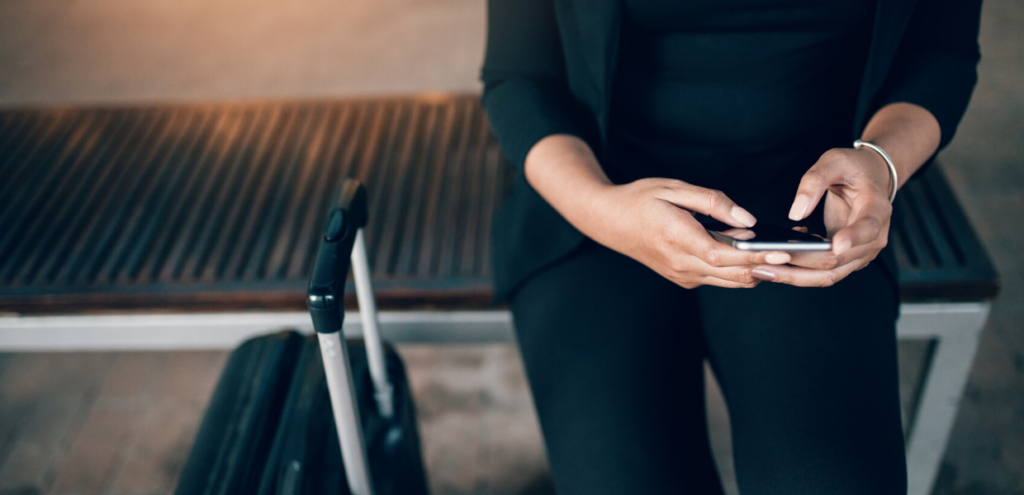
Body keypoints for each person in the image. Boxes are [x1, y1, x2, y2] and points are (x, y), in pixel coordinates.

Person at [480, 0, 982, 493]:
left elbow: (941, 52)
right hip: (602, 191)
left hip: (810, 208)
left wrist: (881, 162)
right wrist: (601, 207)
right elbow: (518, 76)